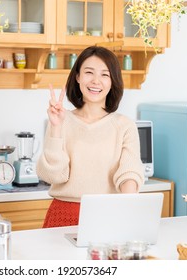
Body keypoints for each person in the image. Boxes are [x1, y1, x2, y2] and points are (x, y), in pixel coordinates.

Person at [36, 46, 144, 228]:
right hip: (63, 215)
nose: (96, 81)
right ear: (78, 77)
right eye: (89, 72)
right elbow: (53, 175)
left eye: (105, 75)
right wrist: (56, 127)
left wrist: (129, 207)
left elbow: (129, 173)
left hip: (108, 213)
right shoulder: (61, 119)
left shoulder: (124, 125)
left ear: (112, 81)